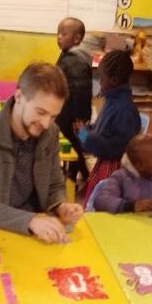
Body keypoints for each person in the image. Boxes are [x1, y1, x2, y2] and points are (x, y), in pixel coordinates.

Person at [0, 62, 83, 244]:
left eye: (53, 116)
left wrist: (60, 205)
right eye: (41, 112)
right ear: (19, 96)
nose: (46, 123)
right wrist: (30, 221)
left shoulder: (50, 133)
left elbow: (54, 184)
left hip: (31, 234)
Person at [76, 50, 141, 207]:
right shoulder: (113, 100)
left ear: (113, 80)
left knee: (103, 203)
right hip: (105, 163)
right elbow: (103, 128)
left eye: (102, 79)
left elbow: (114, 147)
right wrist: (88, 129)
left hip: (114, 168)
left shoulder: (123, 108)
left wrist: (86, 135)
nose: (100, 82)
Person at [55, 18, 92, 184]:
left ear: (77, 39)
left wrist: (79, 117)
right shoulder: (69, 55)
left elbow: (81, 90)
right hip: (67, 110)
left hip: (71, 113)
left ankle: (73, 177)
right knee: (73, 144)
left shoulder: (74, 60)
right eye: (58, 33)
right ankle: (83, 174)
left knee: (73, 145)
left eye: (63, 33)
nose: (58, 37)